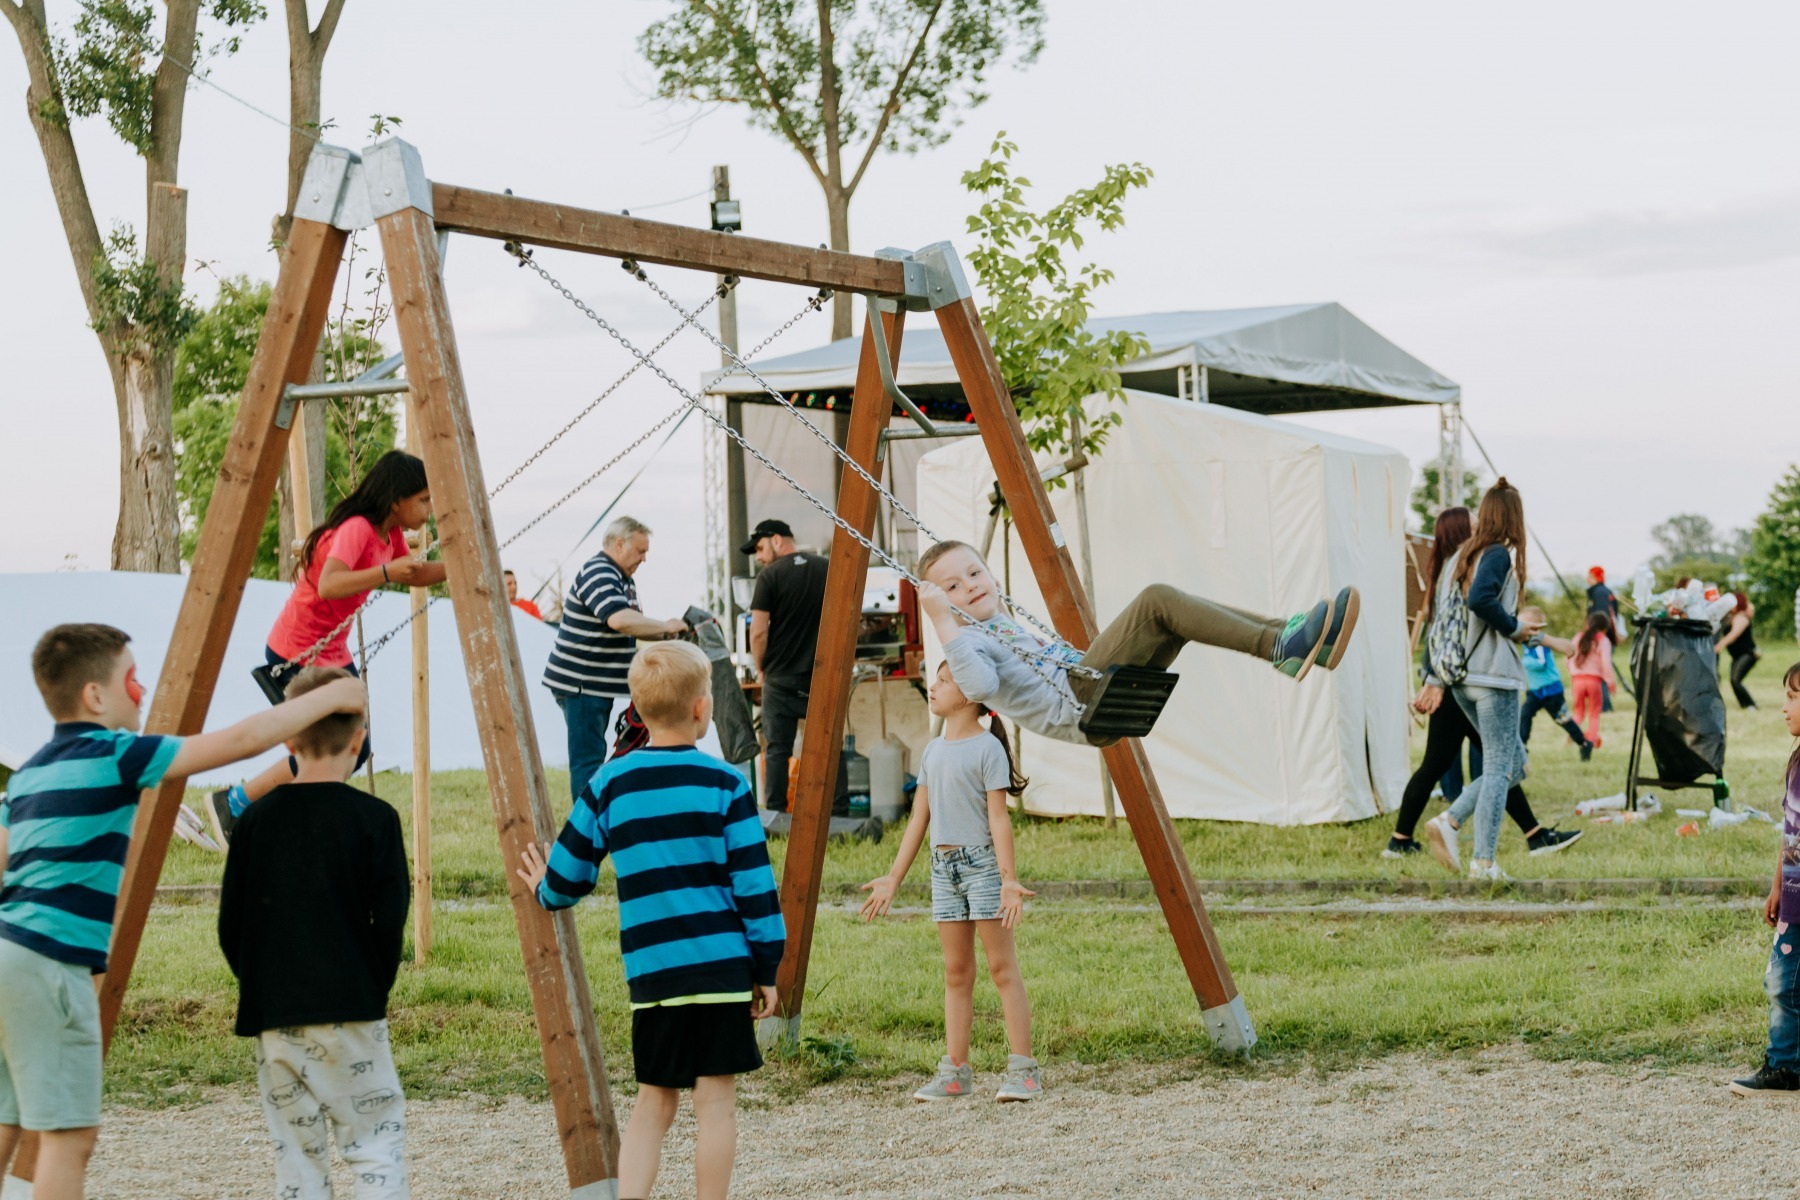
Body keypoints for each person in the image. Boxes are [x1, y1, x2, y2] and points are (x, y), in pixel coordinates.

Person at [0, 624, 365, 1200]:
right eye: (132, 679)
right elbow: (241, 740)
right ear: (95, 696)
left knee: (6, 1119)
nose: (142, 691)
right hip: (52, 965)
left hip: (8, 954)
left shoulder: (29, 774)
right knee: (68, 1138)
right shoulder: (118, 755)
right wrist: (334, 696)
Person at [518, 641, 782, 1200]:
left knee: (653, 1101)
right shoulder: (727, 785)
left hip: (655, 976)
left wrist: (544, 886)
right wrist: (767, 968)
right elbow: (756, 889)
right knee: (716, 1103)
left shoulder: (610, 784)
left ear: (635, 709)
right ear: (702, 709)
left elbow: (569, 876)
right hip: (721, 972)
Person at [217, 666, 411, 1199]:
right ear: (360, 740)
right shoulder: (376, 818)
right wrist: (372, 985)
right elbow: (389, 919)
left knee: (297, 1156)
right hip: (352, 1007)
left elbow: (231, 924)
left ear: (288, 740)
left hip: (275, 1017)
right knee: (374, 1141)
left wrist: (260, 984)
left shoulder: (254, 821)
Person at [206, 450, 446, 845]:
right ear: (396, 500)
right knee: (326, 749)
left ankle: (243, 805)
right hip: (297, 651)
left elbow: (415, 574)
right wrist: (386, 572)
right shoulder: (357, 529)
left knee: (355, 747)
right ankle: (237, 804)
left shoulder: (390, 536)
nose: (429, 509)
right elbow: (329, 584)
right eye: (423, 500)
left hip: (332, 652)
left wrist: (460, 566)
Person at [917, 542, 1359, 747]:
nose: (969, 586)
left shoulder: (998, 623)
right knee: (1157, 600)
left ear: (992, 576)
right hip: (1080, 698)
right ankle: (1281, 645)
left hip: (1089, 690)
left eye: (975, 573)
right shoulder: (967, 641)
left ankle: (1304, 643)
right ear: (943, 603)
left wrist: (972, 605)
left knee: (1175, 619)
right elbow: (979, 687)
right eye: (952, 587)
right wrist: (941, 622)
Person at [861, 661, 1043, 1102]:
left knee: (1002, 968)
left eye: (943, 681)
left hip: (983, 869)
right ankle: (956, 1072)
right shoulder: (932, 751)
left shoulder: (988, 749)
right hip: (943, 871)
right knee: (956, 971)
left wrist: (1008, 880)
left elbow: (998, 819)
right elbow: (918, 820)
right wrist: (893, 878)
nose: (934, 686)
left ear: (968, 694)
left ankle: (1024, 1071)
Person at [1386, 511, 1579, 860]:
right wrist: (1434, 681)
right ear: (1462, 531)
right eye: (1473, 525)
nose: (1480, 528)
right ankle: (1447, 827)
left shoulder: (1452, 572)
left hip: (1454, 682)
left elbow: (1480, 627)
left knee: (1490, 764)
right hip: (1459, 684)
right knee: (1497, 765)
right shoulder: (1464, 573)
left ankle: (1532, 834)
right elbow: (1459, 631)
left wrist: (1550, 641)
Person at [1424, 479, 1543, 882]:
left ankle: (1451, 819)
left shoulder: (1461, 556)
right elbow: (1480, 601)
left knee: (1515, 765)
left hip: (1462, 679)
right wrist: (1513, 627)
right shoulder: (1496, 554)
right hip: (1493, 676)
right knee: (1498, 768)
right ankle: (1484, 863)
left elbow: (1445, 618)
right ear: (1514, 517)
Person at [542, 516, 688, 809]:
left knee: (593, 758)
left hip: (595, 685)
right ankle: (586, 826)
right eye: (640, 551)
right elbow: (619, 619)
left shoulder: (621, 578)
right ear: (619, 544)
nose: (644, 559)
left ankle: (597, 819)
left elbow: (630, 625)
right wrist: (665, 627)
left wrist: (664, 636)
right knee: (588, 761)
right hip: (582, 684)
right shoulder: (600, 571)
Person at [1729, 661, 1800, 1096]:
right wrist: (1778, 887)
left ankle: (1786, 1063)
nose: (1783, 707)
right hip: (1794, 899)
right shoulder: (1797, 763)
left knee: (1783, 982)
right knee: (1782, 980)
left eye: (1793, 697)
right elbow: (1791, 833)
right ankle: (1786, 1063)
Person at [745, 518, 834, 814]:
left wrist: (760, 667)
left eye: (760, 548)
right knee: (830, 747)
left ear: (777, 540)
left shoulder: (769, 576)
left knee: (777, 750)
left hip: (780, 677)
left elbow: (758, 632)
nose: (758, 557)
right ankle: (839, 813)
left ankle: (775, 816)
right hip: (822, 674)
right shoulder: (827, 567)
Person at [1517, 605, 1594, 761]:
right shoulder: (1525, 643)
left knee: (1562, 719)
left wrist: (1520, 662)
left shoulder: (1539, 642)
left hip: (1551, 690)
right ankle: (1522, 745)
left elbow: (1541, 663)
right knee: (1525, 715)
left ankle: (1584, 743)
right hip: (1535, 691)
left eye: (1522, 624)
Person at [1568, 613, 1615, 748]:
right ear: (1605, 628)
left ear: (1588, 624)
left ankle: (1572, 735)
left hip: (1577, 680)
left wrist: (1573, 671)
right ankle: (1593, 740)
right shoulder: (1603, 640)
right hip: (1594, 681)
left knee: (1578, 712)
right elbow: (1606, 663)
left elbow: (1568, 656)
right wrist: (1610, 681)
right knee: (1594, 713)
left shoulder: (1578, 637)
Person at [1716, 591, 1761, 710]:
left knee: (1736, 680)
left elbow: (1734, 635)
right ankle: (1744, 704)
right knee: (1733, 680)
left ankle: (1751, 704)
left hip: (1747, 654)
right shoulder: (1731, 617)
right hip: (1737, 656)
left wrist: (1719, 646)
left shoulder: (1741, 617)